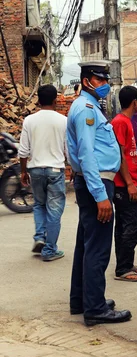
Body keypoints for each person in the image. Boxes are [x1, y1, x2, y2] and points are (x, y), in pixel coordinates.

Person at [67, 60, 132, 326]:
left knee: (86, 244)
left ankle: (82, 300)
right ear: (86, 81)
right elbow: (86, 154)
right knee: (98, 249)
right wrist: (100, 196)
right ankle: (95, 308)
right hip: (97, 184)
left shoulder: (88, 106)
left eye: (106, 79)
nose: (104, 84)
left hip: (92, 183)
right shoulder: (86, 110)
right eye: (99, 79)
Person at [18, 84, 67, 261]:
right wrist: (73, 169)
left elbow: (23, 150)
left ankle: (40, 237)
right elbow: (68, 149)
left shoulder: (29, 120)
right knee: (54, 211)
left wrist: (24, 171)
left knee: (39, 205)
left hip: (36, 169)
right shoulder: (63, 121)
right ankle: (49, 250)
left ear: (38, 101)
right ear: (56, 100)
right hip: (55, 170)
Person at [111, 86, 137, 282]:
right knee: (131, 225)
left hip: (128, 181)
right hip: (123, 184)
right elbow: (119, 155)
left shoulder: (126, 121)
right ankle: (123, 268)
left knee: (127, 224)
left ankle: (127, 263)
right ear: (134, 102)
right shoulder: (120, 123)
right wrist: (130, 184)